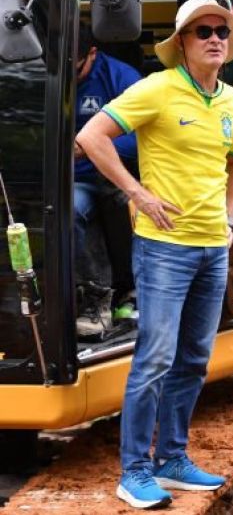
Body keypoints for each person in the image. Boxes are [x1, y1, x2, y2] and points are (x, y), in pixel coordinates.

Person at [76, 0, 233, 510]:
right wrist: (137, 192)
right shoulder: (157, 88)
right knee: (154, 359)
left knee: (194, 359)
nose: (216, 38)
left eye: (222, 31)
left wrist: (230, 216)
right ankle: (134, 471)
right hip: (164, 251)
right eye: (205, 31)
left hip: (211, 249)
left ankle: (173, 459)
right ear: (182, 43)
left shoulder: (228, 99)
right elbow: (92, 135)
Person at [74, 22, 141, 336]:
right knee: (67, 206)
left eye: (76, 71)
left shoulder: (121, 78)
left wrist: (91, 148)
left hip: (110, 176)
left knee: (106, 201)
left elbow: (146, 135)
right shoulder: (42, 78)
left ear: (92, 54)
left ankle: (108, 295)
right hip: (60, 181)